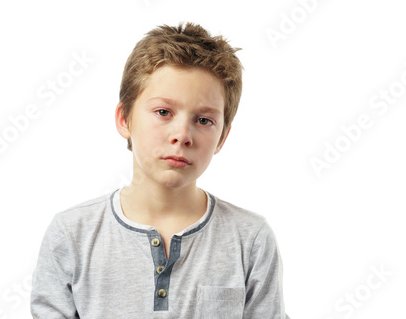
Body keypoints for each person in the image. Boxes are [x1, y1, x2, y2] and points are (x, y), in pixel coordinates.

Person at [31, 22, 290, 318]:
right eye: (163, 112)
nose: (182, 135)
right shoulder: (71, 234)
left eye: (204, 120)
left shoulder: (251, 239)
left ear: (222, 137)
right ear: (124, 119)